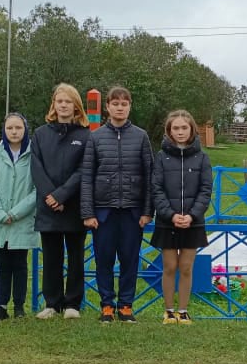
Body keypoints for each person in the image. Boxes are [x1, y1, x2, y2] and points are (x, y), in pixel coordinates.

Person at [82, 86, 154, 323]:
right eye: (115, 103)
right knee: (103, 259)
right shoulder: (96, 137)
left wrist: (147, 211)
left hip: (133, 211)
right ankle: (106, 306)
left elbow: (149, 175)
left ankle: (125, 305)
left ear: (129, 107)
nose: (120, 107)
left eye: (124, 104)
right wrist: (88, 212)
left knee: (130, 259)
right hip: (103, 211)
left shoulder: (141, 136)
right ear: (108, 107)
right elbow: (87, 176)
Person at [32, 84, 92, 320]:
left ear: (76, 105)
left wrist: (62, 195)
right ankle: (52, 303)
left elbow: (83, 170)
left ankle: (72, 304)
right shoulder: (40, 134)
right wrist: (51, 196)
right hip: (48, 207)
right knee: (51, 256)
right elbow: (36, 167)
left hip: (74, 205)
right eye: (60, 101)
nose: (64, 105)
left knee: (76, 256)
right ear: (53, 105)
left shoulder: (86, 136)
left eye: (68, 101)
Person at [151, 110, 213, 324]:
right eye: (175, 128)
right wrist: (170, 215)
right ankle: (168, 310)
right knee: (169, 266)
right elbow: (156, 189)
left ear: (192, 129)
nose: (180, 132)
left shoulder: (202, 157)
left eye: (183, 128)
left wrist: (193, 215)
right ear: (169, 131)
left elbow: (206, 190)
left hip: (193, 223)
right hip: (168, 221)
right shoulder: (160, 157)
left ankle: (183, 310)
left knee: (186, 267)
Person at [0, 112, 39, 322]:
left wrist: (16, 213)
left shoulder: (34, 153)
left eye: (18, 128)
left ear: (25, 129)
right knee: (3, 265)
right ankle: (1, 306)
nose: (14, 132)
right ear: (4, 130)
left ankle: (19, 307)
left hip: (22, 219)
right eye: (10, 128)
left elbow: (37, 188)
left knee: (20, 264)